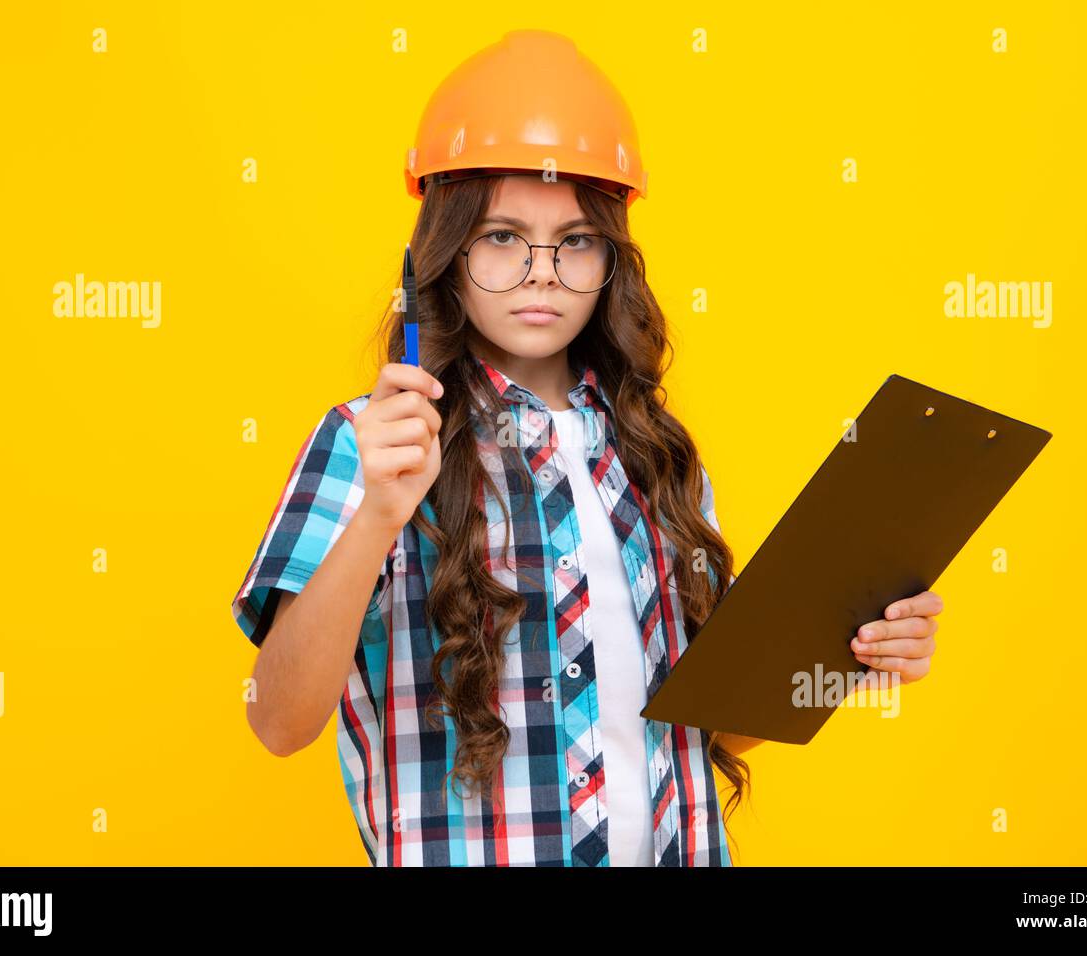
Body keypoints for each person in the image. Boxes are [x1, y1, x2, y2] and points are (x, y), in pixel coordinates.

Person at [228, 30, 943, 867]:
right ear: (444, 256)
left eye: (574, 241)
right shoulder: (370, 443)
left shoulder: (658, 457)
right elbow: (279, 721)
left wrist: (848, 652)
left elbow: (712, 727)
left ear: (612, 260)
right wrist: (382, 512)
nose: (542, 271)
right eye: (500, 236)